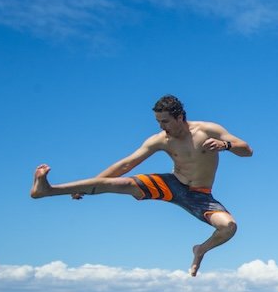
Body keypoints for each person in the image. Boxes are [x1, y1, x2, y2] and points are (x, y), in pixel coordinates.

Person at [30, 95, 253, 276]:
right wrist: (85, 187)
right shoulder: (160, 140)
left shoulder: (208, 130)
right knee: (123, 183)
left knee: (228, 227)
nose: (162, 126)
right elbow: (127, 163)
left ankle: (200, 250)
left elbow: (247, 150)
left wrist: (226, 145)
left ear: (180, 117)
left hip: (200, 195)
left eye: (165, 121)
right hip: (172, 184)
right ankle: (48, 190)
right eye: (158, 122)